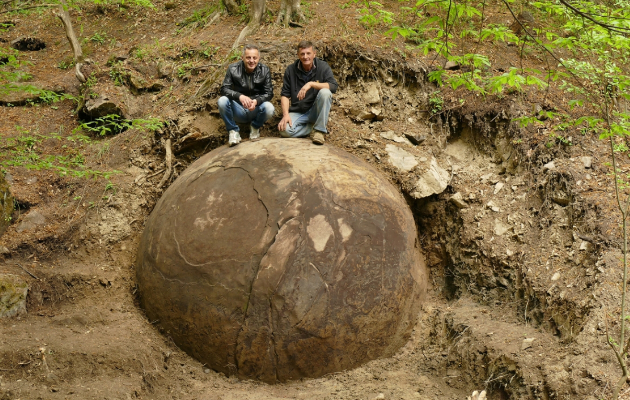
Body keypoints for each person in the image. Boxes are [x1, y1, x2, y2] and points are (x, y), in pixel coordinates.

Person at [278, 41, 338, 145]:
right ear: (298, 55)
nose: (305, 57)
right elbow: (285, 95)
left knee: (325, 92)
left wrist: (311, 84)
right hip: (299, 112)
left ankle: (319, 131)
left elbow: (333, 86)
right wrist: (286, 115)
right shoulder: (291, 70)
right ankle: (311, 129)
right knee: (284, 130)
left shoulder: (323, 67)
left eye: (308, 53)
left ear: (314, 54)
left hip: (316, 110)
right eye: (302, 54)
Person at [218, 44, 275, 146]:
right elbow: (224, 89)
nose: (251, 61)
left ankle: (255, 127)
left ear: (259, 58)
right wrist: (239, 96)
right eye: (248, 57)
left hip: (255, 109)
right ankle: (233, 132)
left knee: (269, 107)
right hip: (238, 109)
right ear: (242, 57)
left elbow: (269, 93)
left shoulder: (264, 70)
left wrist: (257, 101)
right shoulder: (233, 69)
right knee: (222, 100)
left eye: (254, 58)